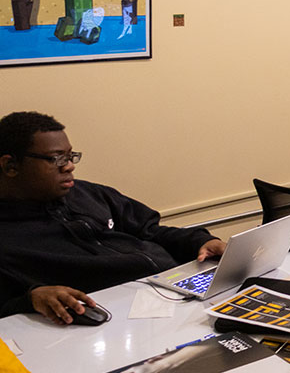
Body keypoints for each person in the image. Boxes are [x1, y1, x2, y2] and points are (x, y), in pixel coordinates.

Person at [0, 111, 225, 323]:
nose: (69, 167)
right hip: (115, 317)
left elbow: (151, 231)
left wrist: (200, 241)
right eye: (57, 159)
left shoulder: (88, 194)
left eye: (71, 157)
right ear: (10, 166)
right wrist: (31, 298)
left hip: (176, 291)